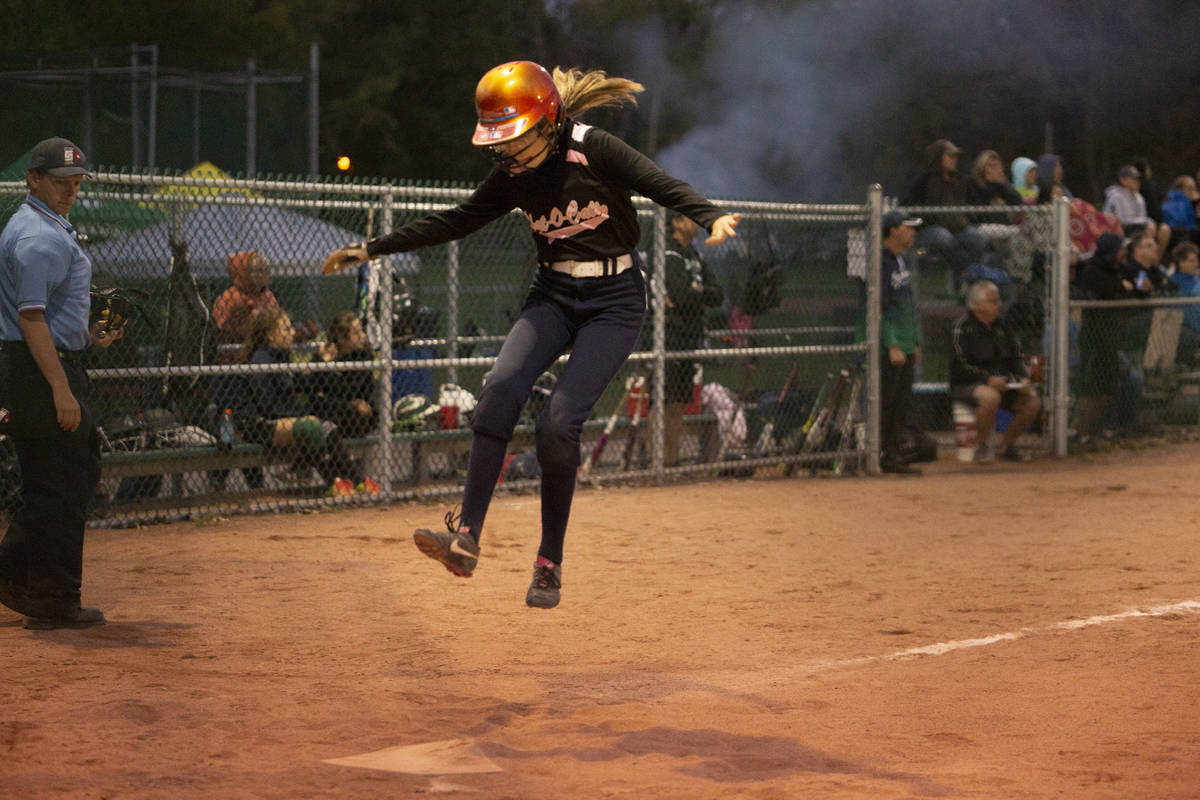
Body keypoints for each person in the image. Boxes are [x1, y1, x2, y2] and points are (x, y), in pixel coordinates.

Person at [322, 61, 740, 608]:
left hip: (614, 302)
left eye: (515, 138)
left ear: (547, 123)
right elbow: (457, 220)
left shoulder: (593, 148)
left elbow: (658, 184)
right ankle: (466, 537)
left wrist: (711, 217)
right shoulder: (514, 175)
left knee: (557, 425)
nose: (507, 153)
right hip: (554, 296)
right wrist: (372, 248)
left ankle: (549, 564)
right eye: (499, 143)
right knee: (497, 390)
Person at [0, 137, 124, 630]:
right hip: (40, 372)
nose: (71, 189)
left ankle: (18, 573)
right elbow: (30, 319)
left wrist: (86, 336)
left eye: (76, 182)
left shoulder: (45, 227)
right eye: (60, 181)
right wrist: (59, 387)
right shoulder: (38, 237)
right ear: (34, 179)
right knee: (59, 486)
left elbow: (43, 315)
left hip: (48, 363)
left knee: (69, 476)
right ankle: (52, 597)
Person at [236, 307, 368, 495]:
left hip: (278, 419)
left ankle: (347, 482)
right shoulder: (262, 360)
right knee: (312, 427)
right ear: (271, 336)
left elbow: (305, 384)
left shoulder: (283, 358)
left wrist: (321, 361)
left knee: (326, 426)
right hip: (257, 423)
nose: (292, 333)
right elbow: (267, 406)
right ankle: (341, 482)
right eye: (286, 329)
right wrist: (300, 417)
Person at [950, 280, 1041, 463]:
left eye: (998, 300)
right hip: (968, 383)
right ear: (977, 305)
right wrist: (987, 379)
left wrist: (1022, 379)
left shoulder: (1002, 326)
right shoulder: (962, 327)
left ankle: (1006, 446)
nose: (998, 305)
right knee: (990, 397)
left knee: (1033, 401)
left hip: (1002, 383)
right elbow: (959, 366)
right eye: (992, 301)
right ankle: (980, 447)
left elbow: (1015, 358)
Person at [662, 210, 723, 466]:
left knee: (679, 402)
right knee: (663, 402)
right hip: (669, 336)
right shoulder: (670, 253)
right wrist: (696, 292)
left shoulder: (694, 256)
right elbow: (678, 294)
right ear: (676, 223)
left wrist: (695, 290)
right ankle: (660, 460)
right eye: (688, 219)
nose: (695, 224)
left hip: (690, 336)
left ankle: (671, 461)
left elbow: (718, 295)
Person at [1074, 232, 1137, 443]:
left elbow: (1133, 285)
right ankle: (1078, 433)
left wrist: (1131, 287)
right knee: (1091, 390)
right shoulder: (1092, 269)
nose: (1124, 253)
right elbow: (1112, 288)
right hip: (1094, 339)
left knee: (1107, 391)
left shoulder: (1117, 268)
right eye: (1121, 249)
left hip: (1111, 337)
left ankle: (1089, 430)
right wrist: (1122, 287)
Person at [902, 139, 988, 284]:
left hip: (957, 230)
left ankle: (967, 279)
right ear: (938, 157)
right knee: (943, 237)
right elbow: (910, 207)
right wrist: (928, 220)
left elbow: (973, 205)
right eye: (950, 156)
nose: (955, 159)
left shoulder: (961, 180)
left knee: (978, 238)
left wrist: (968, 220)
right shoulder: (924, 181)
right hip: (929, 231)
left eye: (956, 156)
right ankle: (964, 274)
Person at [876, 210, 923, 476]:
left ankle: (895, 453)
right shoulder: (881, 262)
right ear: (893, 230)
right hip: (890, 345)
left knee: (902, 402)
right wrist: (892, 343)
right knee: (888, 401)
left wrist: (914, 340)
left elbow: (910, 304)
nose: (913, 232)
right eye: (908, 227)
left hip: (905, 343)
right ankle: (885, 454)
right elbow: (879, 307)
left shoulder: (902, 261)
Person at [311, 310, 379, 440]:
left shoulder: (363, 356)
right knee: (326, 406)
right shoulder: (325, 354)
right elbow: (312, 388)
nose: (363, 336)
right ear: (341, 338)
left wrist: (329, 375)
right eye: (356, 333)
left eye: (361, 331)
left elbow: (351, 389)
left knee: (365, 412)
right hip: (332, 409)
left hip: (355, 415)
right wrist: (324, 363)